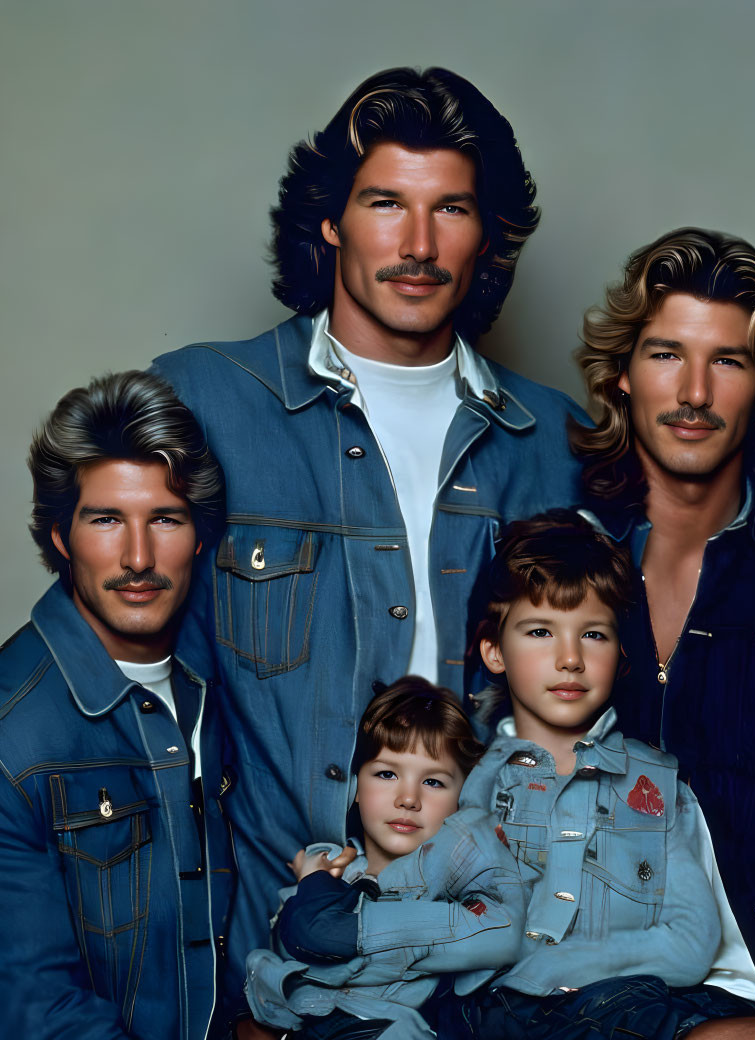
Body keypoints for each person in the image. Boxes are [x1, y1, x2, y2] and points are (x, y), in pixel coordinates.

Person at [151, 66, 587, 1005]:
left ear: (488, 237)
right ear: (330, 221)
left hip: (497, 964)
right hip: (284, 951)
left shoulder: (555, 439)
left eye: (452, 210)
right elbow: (147, 699)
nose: (419, 243)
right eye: (386, 202)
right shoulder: (207, 401)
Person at [569, 228, 755, 1000]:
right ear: (622, 375)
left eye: (727, 361)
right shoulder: (562, 561)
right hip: (589, 998)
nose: (695, 392)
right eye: (666, 355)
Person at [455, 511, 755, 1039]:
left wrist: (552, 969)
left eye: (594, 635)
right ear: (494, 650)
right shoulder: (468, 788)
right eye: (540, 631)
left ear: (619, 653)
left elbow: (690, 944)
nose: (569, 659)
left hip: (637, 1008)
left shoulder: (655, 787)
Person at [0, 372, 232, 1039]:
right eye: (107, 520)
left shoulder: (228, 681)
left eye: (166, 518)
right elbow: (36, 1012)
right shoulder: (13, 736)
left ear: (199, 536)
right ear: (62, 538)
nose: (138, 556)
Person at [245, 678, 524, 1040]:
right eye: (387, 774)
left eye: (434, 782)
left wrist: (314, 893)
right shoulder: (328, 870)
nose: (408, 798)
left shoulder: (467, 892)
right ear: (355, 786)